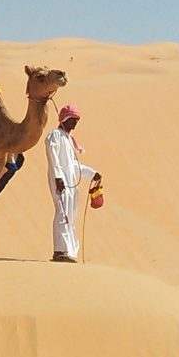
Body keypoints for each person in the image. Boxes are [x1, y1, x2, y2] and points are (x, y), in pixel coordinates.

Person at [45, 104, 102, 263]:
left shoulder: (68, 139)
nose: (75, 123)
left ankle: (68, 251)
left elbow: (72, 165)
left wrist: (91, 174)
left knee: (70, 215)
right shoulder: (54, 135)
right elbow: (53, 157)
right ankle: (59, 251)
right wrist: (57, 177)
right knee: (62, 213)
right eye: (73, 119)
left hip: (70, 182)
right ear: (65, 119)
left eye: (77, 120)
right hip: (60, 181)